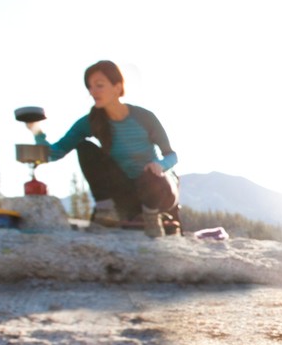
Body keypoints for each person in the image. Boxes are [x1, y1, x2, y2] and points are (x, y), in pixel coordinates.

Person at [31, 60, 179, 237]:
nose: (93, 92)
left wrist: (159, 165)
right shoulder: (90, 122)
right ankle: (106, 211)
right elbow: (55, 153)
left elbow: (172, 156)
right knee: (84, 147)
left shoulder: (144, 117)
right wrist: (36, 130)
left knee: (151, 173)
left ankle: (152, 218)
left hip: (158, 191)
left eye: (99, 85)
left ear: (117, 87)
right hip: (125, 195)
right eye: (90, 87)